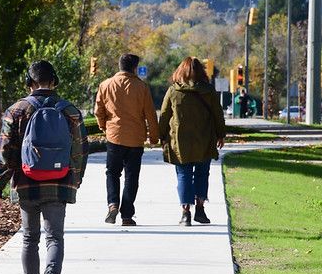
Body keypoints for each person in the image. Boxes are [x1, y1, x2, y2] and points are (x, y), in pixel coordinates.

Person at [0, 60, 88, 274]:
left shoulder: (16, 110)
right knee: (54, 237)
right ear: (54, 81)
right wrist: (74, 180)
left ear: (29, 82)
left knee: (29, 238)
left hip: (26, 183)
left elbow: (5, 154)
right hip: (59, 181)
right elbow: (79, 150)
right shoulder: (71, 111)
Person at [158, 57, 226, 226]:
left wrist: (160, 136)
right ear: (201, 72)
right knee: (202, 174)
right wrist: (221, 135)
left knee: (183, 175)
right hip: (204, 139)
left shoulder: (173, 91)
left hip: (180, 142)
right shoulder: (208, 91)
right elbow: (218, 114)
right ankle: (200, 209)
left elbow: (165, 115)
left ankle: (185, 212)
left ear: (180, 71)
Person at [94, 53, 159, 226]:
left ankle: (113, 203)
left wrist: (103, 126)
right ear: (135, 68)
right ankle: (127, 215)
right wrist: (154, 137)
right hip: (135, 139)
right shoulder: (141, 87)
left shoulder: (105, 85)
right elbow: (150, 115)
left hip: (114, 136)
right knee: (132, 176)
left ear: (119, 65)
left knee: (112, 172)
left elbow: (98, 110)